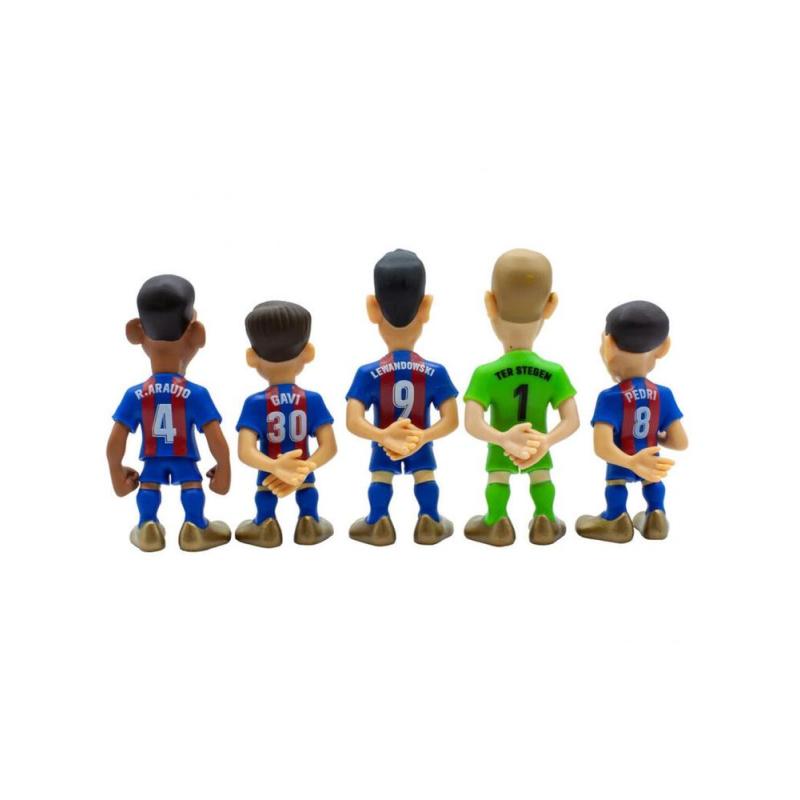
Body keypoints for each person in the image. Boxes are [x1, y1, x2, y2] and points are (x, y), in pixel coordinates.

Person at [107, 275, 231, 552]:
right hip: (184, 458)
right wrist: (223, 468)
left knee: (148, 486)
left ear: (136, 333)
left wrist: (116, 472)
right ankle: (195, 527)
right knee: (192, 485)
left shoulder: (134, 395)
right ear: (197, 335)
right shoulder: (197, 394)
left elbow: (115, 440)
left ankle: (147, 526)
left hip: (152, 459)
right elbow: (216, 439)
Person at [463, 249, 579, 546]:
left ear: (490, 304)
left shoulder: (485, 374)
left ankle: (496, 521)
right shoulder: (554, 372)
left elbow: (472, 424)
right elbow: (572, 421)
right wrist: (546, 441)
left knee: (497, 478)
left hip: (501, 446)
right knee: (541, 477)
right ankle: (545, 519)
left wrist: (502, 439)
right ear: (550, 305)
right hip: (538, 444)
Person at [346, 249, 459, 546]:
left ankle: (378, 521)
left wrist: (383, 435)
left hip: (384, 444)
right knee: (426, 476)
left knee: (380, 478)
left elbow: (353, 421)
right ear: (426, 308)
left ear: (373, 309)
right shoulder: (436, 372)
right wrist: (423, 436)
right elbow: (451, 420)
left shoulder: (367, 373)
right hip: (420, 441)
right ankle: (429, 520)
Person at [576, 300, 688, 542]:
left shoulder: (609, 397)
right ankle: (656, 515)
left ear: (608, 346)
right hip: (651, 459)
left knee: (616, 483)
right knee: (652, 482)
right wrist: (656, 437)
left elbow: (602, 447)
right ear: (663, 348)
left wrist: (630, 461)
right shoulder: (664, 394)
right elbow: (680, 442)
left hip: (622, 459)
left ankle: (615, 519)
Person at [236, 301, 337, 547]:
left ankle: (265, 525)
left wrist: (274, 465)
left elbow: (245, 451)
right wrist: (304, 468)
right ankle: (309, 523)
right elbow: (330, 446)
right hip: (304, 469)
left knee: (265, 494)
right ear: (308, 353)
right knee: (307, 492)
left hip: (269, 471)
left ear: (251, 358)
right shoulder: (312, 400)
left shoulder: (254, 403)